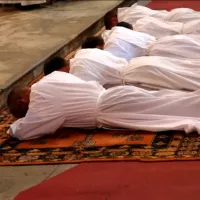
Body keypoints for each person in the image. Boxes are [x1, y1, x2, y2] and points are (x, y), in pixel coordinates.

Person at [7, 71, 200, 140]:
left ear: (21, 101)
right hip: (112, 95)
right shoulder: (50, 79)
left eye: (23, 112)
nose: (27, 113)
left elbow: (25, 131)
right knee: (164, 101)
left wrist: (12, 128)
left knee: (165, 109)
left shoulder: (41, 102)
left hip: (111, 109)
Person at [45, 56, 200, 91]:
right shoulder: (82, 55)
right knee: (184, 72)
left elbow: (90, 90)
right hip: (137, 63)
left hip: (136, 76)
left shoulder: (78, 72)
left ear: (60, 70)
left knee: (182, 83)